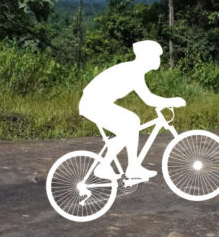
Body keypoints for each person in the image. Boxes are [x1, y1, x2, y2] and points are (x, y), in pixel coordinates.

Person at [79, 40, 185, 181]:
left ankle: (104, 166)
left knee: (127, 130)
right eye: (156, 56)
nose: (159, 59)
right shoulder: (134, 71)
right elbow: (148, 99)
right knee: (132, 121)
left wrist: (165, 102)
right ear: (146, 57)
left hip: (94, 103)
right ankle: (132, 168)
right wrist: (171, 101)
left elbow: (149, 98)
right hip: (92, 103)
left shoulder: (134, 70)